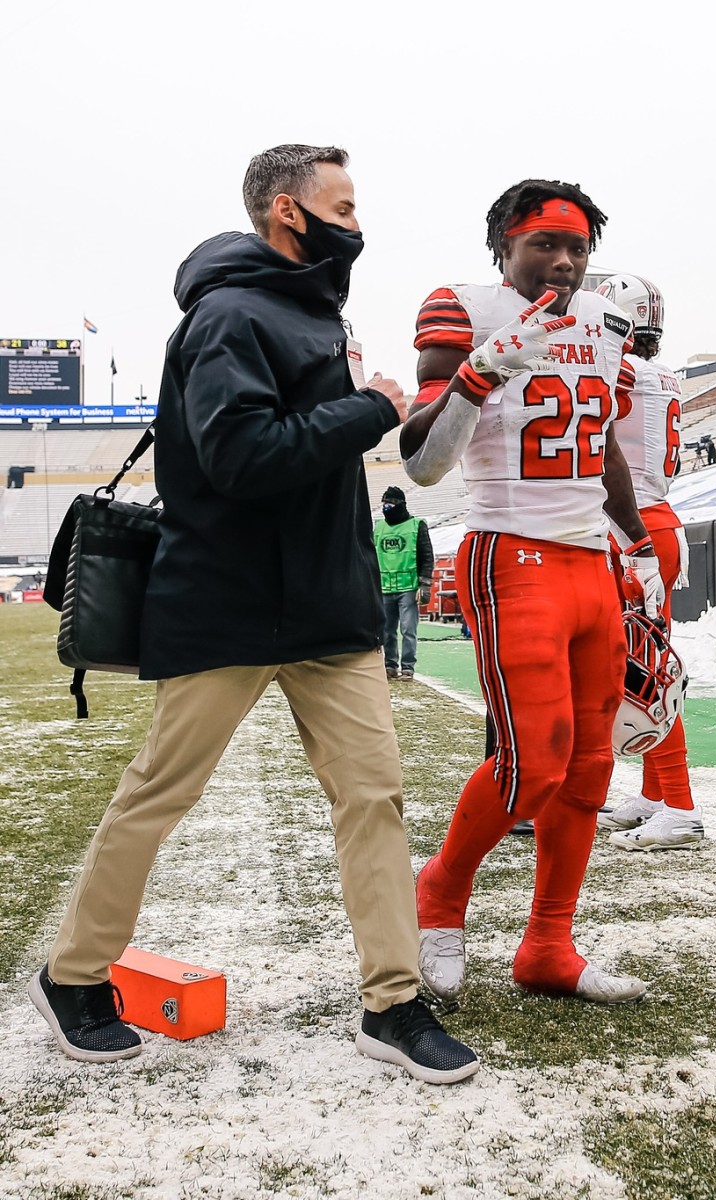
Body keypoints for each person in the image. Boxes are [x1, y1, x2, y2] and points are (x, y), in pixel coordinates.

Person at [27, 144, 478, 1087]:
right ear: (288, 213)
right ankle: (71, 977)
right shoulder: (230, 314)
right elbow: (242, 459)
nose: (357, 222)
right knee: (158, 797)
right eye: (343, 205)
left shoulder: (309, 308)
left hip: (326, 610)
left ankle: (394, 1001)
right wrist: (369, 409)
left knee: (374, 799)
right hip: (226, 606)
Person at [400, 178, 666, 1006]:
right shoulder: (465, 308)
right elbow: (420, 460)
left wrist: (641, 545)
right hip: (511, 551)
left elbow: (605, 447)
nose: (562, 259)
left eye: (577, 246)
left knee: (589, 772)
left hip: (592, 564)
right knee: (529, 768)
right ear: (504, 246)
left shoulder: (603, 318)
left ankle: (548, 945)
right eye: (543, 243)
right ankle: (438, 895)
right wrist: (481, 372)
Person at [593, 274, 704, 852]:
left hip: (631, 526)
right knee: (644, 663)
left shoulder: (625, 371)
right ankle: (656, 795)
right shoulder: (664, 373)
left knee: (644, 672)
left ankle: (681, 805)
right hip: (657, 519)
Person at [373, 485, 434, 680]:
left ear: (401, 505)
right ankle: (390, 666)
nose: (386, 507)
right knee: (387, 631)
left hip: (408, 588)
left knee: (408, 630)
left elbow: (426, 555)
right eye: (384, 503)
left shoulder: (417, 525)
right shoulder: (378, 527)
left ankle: (407, 668)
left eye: (390, 503)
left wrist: (425, 584)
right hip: (384, 587)